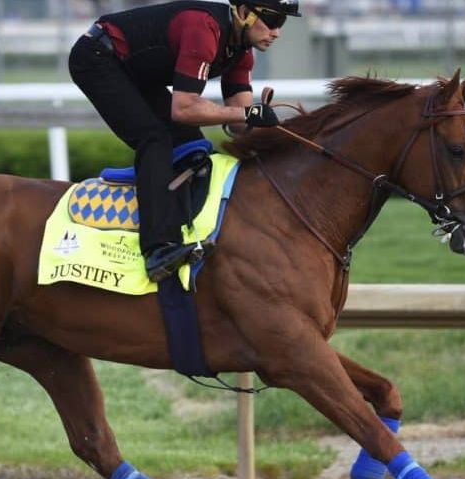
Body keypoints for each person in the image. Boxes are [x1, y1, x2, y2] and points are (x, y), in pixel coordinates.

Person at [69, 0, 300, 282]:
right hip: (97, 58)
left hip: (136, 71)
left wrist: (268, 129)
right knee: (155, 140)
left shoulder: (242, 52)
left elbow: (239, 123)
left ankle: (188, 231)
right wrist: (249, 113)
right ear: (242, 13)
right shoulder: (203, 29)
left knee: (195, 149)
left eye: (283, 23)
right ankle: (157, 249)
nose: (277, 32)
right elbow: (184, 109)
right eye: (274, 20)